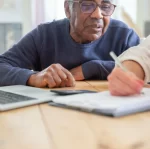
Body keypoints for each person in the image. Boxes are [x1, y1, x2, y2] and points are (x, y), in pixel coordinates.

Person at [0, 0, 140, 88]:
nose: (98, 15)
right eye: (87, 5)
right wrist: (33, 78)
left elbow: (145, 70)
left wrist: (92, 67)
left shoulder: (124, 35)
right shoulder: (45, 35)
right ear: (68, 9)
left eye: (106, 6)